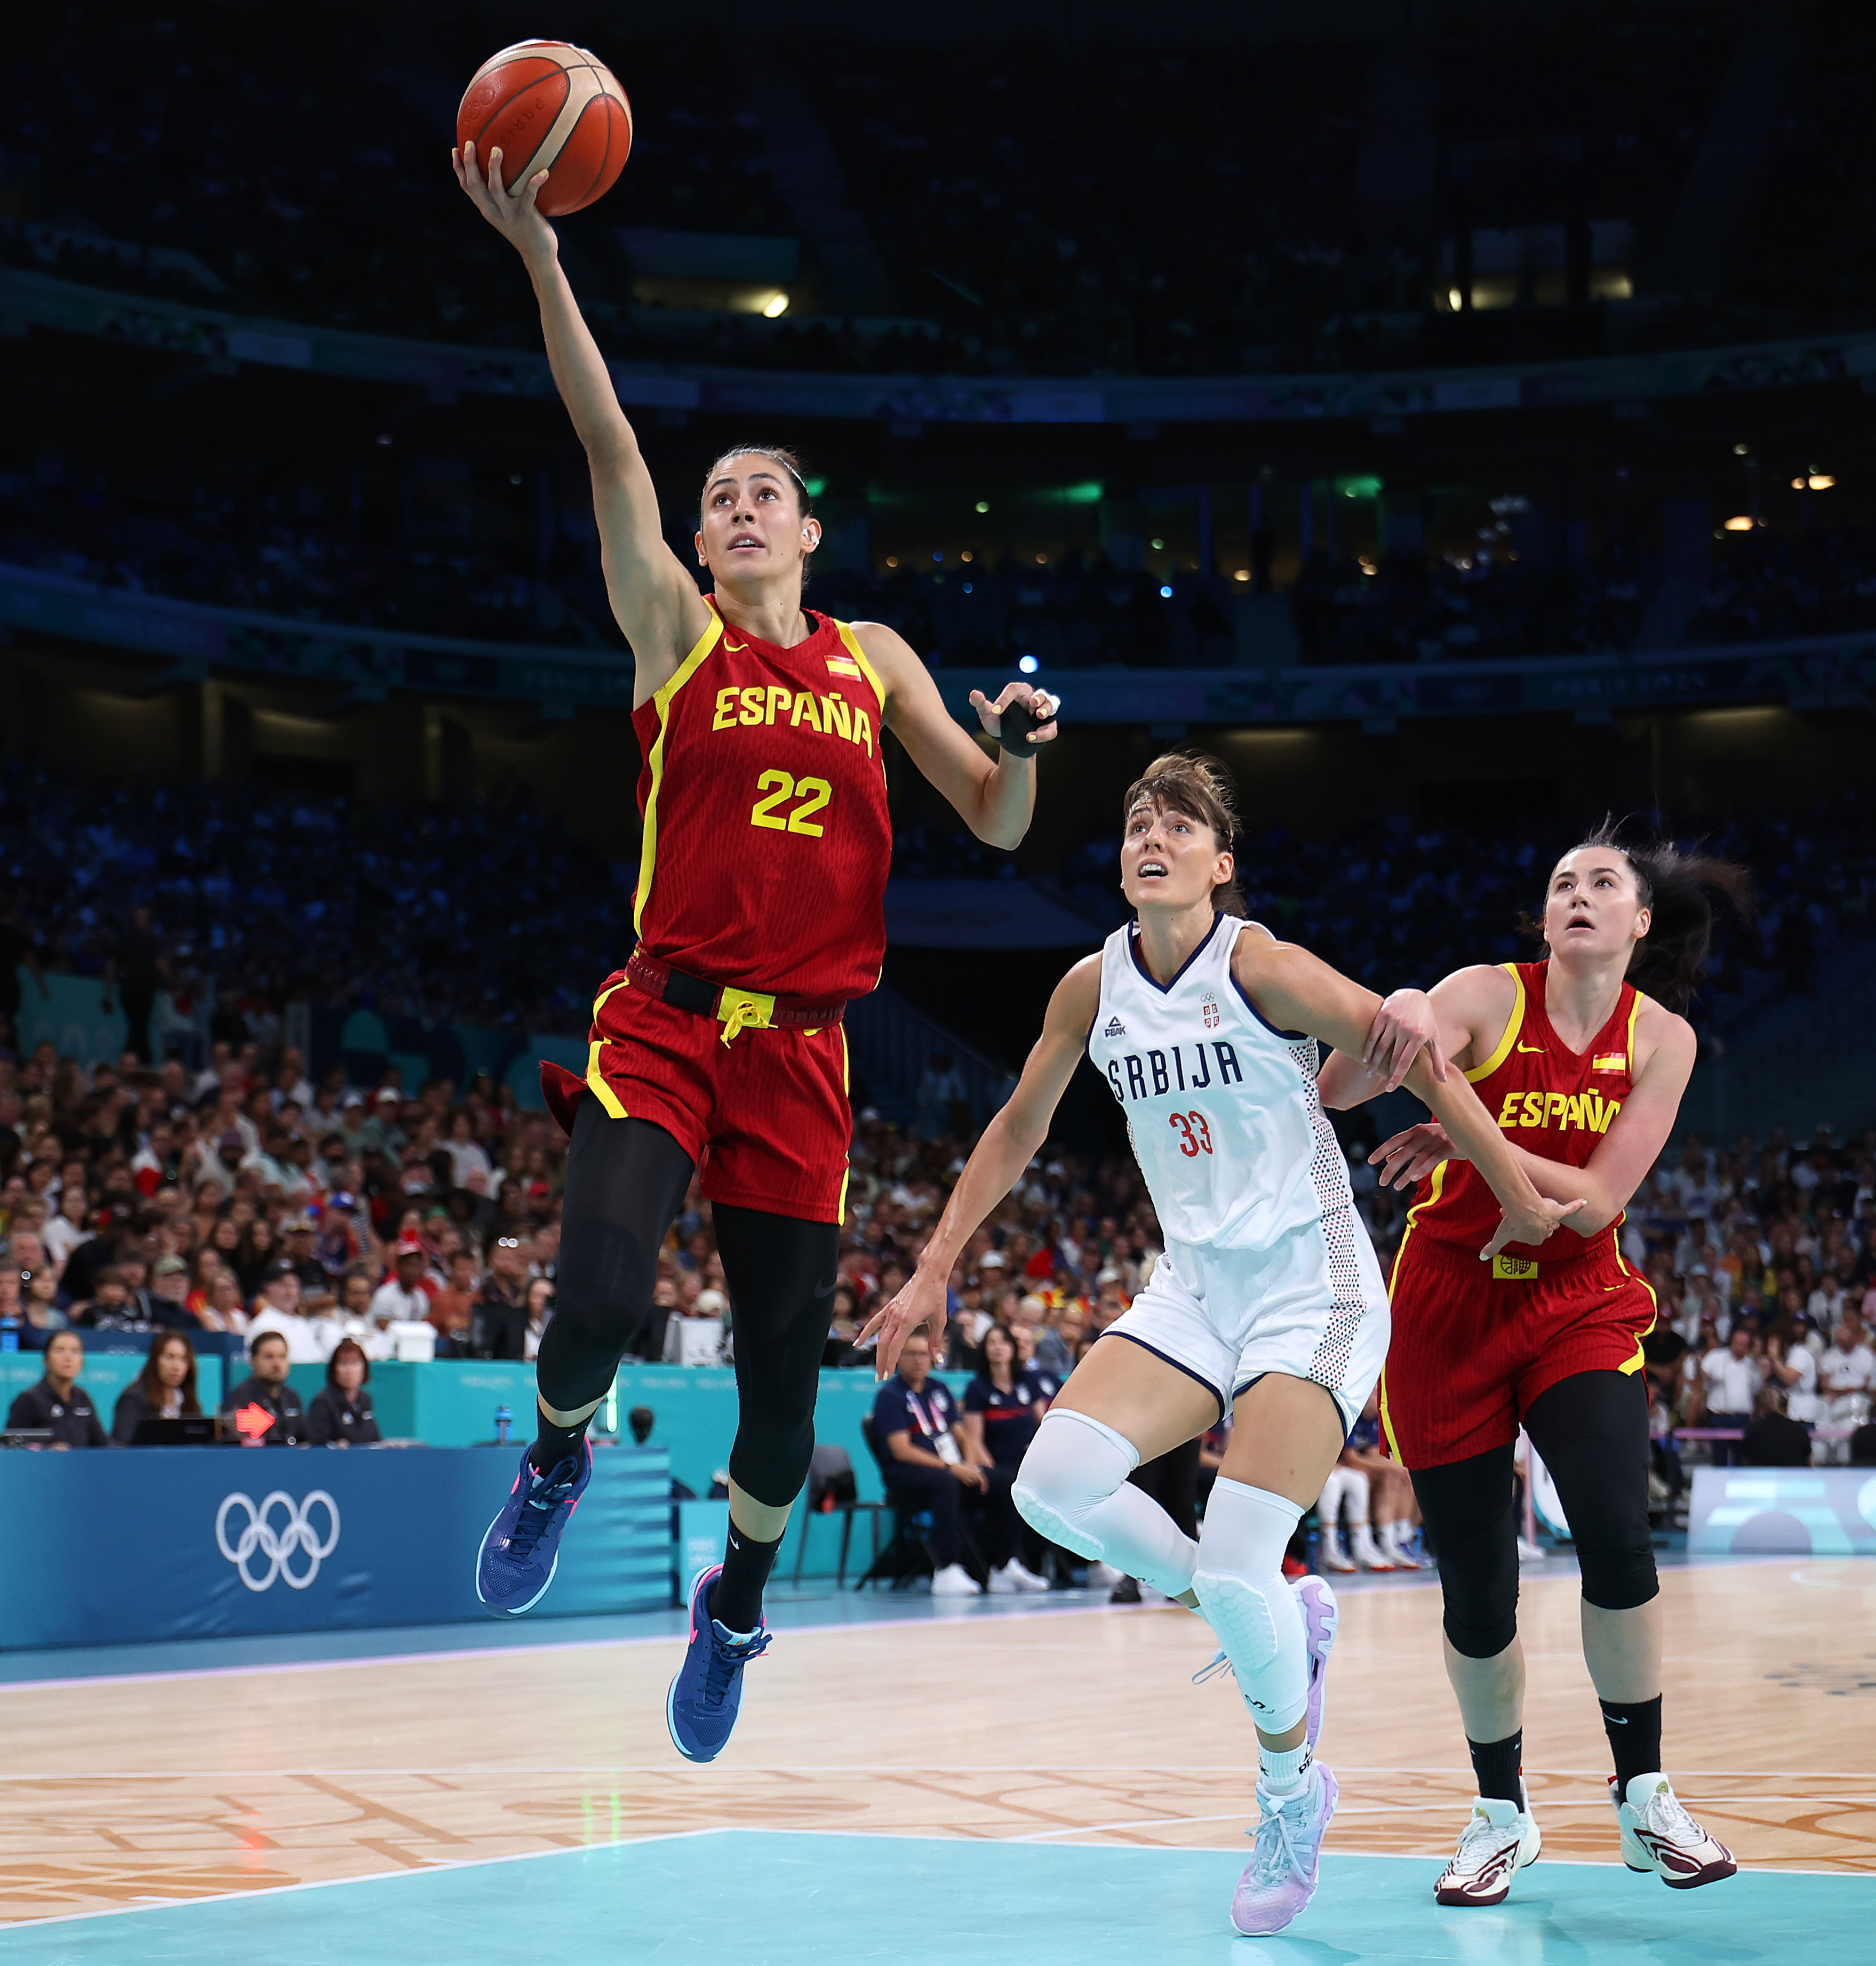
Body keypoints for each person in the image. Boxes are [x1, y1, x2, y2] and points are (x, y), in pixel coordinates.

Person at [453, 134, 1060, 1773]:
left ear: (807, 527)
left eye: (757, 494)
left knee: (788, 1404)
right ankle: (555, 1456)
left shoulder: (869, 656)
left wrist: (1020, 748)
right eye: (715, 495)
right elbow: (604, 439)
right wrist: (542, 259)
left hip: (802, 1049)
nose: (728, 509)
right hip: (660, 1020)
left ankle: (731, 1607)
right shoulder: (672, 627)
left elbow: (997, 824)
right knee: (591, 1298)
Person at [860, 753, 1574, 1937]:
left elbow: (1418, 1058)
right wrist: (935, 1265)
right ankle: (1269, 1617)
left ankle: (1292, 1791)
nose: (1154, 832)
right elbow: (1017, 1123)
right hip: (1193, 1290)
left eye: (1180, 821)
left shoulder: (1263, 965)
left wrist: (1512, 1189)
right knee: (1052, 1487)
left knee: (1245, 1562)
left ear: (1219, 862)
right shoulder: (1092, 986)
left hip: (1315, 1285)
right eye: (1139, 817)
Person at [1331, 821, 1749, 1905]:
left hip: (1578, 1301)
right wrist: (1406, 1019)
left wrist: (1460, 1120)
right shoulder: (1482, 991)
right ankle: (1499, 1813)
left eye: (1602, 882)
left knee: (1615, 1532)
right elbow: (1338, 1087)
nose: (1577, 894)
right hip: (1448, 1303)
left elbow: (1598, 1200)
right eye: (1561, 880)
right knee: (1477, 1591)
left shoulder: (1663, 1038)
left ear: (1638, 920)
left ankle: (1644, 1793)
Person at [872, 1331, 1028, 1595]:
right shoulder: (891, 1396)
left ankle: (1003, 1565)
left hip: (951, 1470)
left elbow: (961, 1434)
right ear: (898, 1358)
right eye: (912, 1354)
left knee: (1005, 1482)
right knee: (945, 1483)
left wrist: (969, 1464)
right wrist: (949, 1467)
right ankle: (947, 1569)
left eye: (924, 1354)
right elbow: (901, 1450)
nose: (920, 1361)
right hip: (909, 1475)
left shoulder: (938, 1389)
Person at [957, 1324, 1052, 1591]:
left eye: (1003, 1342)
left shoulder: (1029, 1383)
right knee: (1010, 1486)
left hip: (1027, 1463)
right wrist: (989, 1468)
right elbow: (974, 1439)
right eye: (991, 1343)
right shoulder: (978, 1388)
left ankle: (1092, 1565)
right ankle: (1004, 1566)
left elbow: (1042, 1424)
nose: (998, 1348)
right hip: (997, 1465)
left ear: (1013, 1349)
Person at [5, 1329, 107, 1446]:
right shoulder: (30, 1399)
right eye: (59, 1351)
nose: (68, 1358)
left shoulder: (82, 1398)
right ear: (46, 1360)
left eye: (75, 1351)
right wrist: (47, 1449)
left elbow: (103, 1444)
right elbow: (11, 1445)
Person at [110, 1329, 201, 1443]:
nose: (176, 1367)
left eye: (184, 1359)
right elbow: (122, 1445)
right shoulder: (134, 1400)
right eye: (170, 1357)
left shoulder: (189, 1403)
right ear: (155, 1360)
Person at [221, 1330, 307, 1445]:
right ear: (253, 1361)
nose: (277, 1364)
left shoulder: (292, 1397)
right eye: (269, 1357)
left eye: (282, 1357)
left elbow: (306, 1439)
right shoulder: (242, 1398)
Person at [307, 1338, 381, 1446]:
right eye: (343, 1364)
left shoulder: (365, 1400)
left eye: (355, 1363)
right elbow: (317, 1444)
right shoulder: (323, 1402)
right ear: (334, 1370)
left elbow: (374, 1439)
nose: (349, 1370)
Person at [1739, 1384, 1812, 1468]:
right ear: (1786, 1406)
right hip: (1793, 1479)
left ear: (1759, 1407)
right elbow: (1809, 1460)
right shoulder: (1800, 1431)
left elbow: (1746, 1456)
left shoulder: (1752, 1431)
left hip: (1761, 1479)